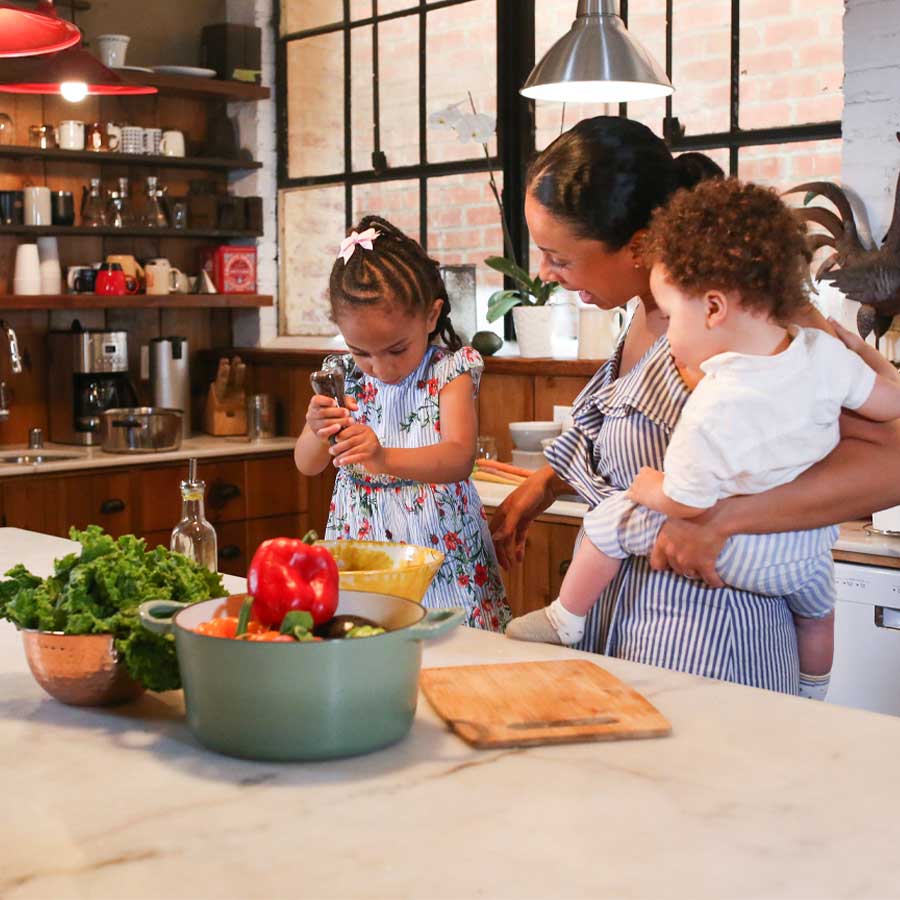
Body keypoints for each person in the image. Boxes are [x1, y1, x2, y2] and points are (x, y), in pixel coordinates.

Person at [490, 115, 900, 695]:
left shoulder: (757, 321)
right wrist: (543, 484)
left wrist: (726, 519)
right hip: (632, 629)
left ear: (636, 248)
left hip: (716, 644)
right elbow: (624, 420)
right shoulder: (650, 308)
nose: (542, 273)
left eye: (559, 256)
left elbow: (892, 461)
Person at [294, 215, 509, 631]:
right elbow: (308, 464)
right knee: (369, 639)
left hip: (439, 547)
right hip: (364, 548)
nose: (381, 367)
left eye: (396, 349)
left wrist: (382, 455)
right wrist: (314, 428)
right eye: (362, 352)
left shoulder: (449, 372)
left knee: (454, 649)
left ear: (431, 317)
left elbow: (458, 458)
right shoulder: (343, 378)